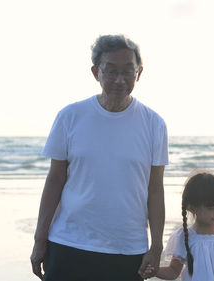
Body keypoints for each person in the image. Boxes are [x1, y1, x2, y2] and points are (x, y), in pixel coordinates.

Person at [29, 34, 168, 281]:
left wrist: (156, 246)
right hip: (68, 242)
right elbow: (55, 179)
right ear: (95, 72)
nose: (119, 79)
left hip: (127, 247)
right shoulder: (70, 116)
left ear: (139, 73)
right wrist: (40, 239)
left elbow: (155, 188)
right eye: (110, 70)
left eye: (128, 71)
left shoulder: (154, 124)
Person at [153, 171, 214, 281]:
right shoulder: (184, 236)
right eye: (211, 208)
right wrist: (154, 270)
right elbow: (173, 272)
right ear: (191, 208)